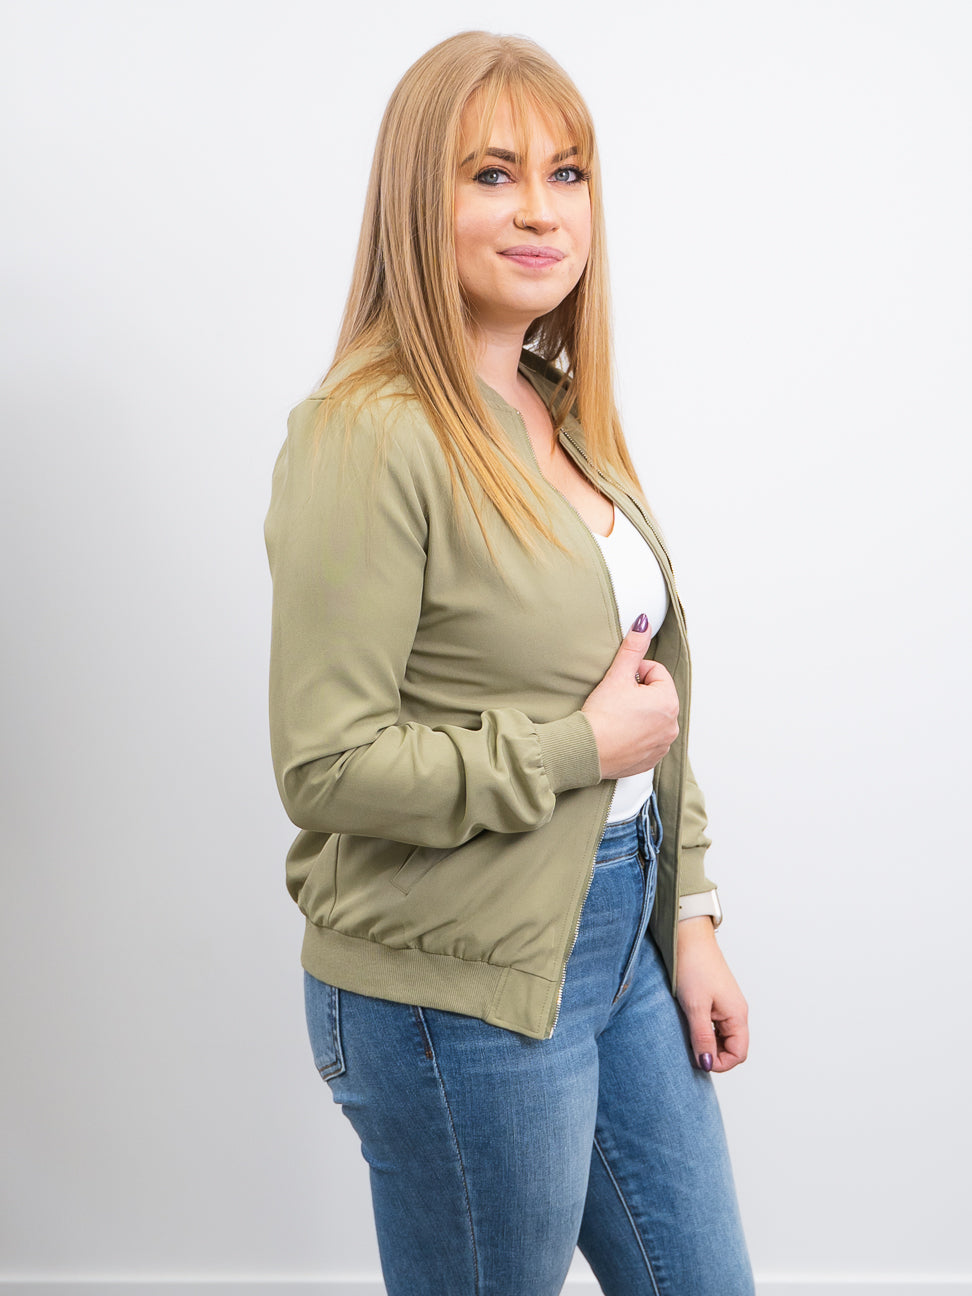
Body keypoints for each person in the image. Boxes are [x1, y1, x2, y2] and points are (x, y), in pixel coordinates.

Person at [265, 30, 754, 1296]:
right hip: (455, 985)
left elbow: (643, 690)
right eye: (493, 173)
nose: (541, 210)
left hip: (621, 935)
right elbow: (327, 766)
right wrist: (577, 749)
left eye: (566, 173)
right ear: (415, 200)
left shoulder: (557, 407)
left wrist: (688, 916)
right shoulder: (367, 434)